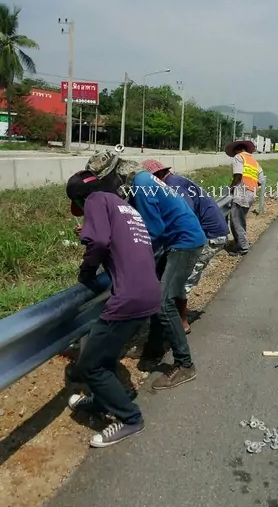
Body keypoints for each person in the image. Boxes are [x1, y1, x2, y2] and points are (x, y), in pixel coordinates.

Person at [85, 150, 206, 390]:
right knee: (156, 295)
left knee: (163, 301)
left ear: (112, 175)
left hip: (184, 241)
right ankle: (154, 348)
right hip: (176, 239)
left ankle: (185, 364)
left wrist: (134, 261)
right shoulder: (139, 180)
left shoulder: (139, 185)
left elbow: (153, 231)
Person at [65, 169, 161, 447]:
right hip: (149, 290)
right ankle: (100, 402)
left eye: (78, 207)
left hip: (129, 296)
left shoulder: (94, 200)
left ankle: (130, 419)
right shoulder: (122, 205)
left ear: (81, 198)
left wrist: (86, 271)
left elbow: (99, 241)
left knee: (90, 365)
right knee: (105, 355)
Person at [141, 159, 228, 334]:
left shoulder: (174, 186)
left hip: (209, 236)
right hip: (206, 233)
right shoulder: (174, 182)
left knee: (181, 278)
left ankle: (180, 323)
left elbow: (182, 216)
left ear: (157, 176)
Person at [225, 140, 265, 255]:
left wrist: (231, 188)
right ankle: (241, 243)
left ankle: (242, 247)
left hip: (241, 194)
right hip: (251, 194)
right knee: (241, 220)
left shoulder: (239, 157)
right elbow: (261, 180)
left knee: (236, 222)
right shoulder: (254, 162)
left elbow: (238, 176)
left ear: (238, 150)